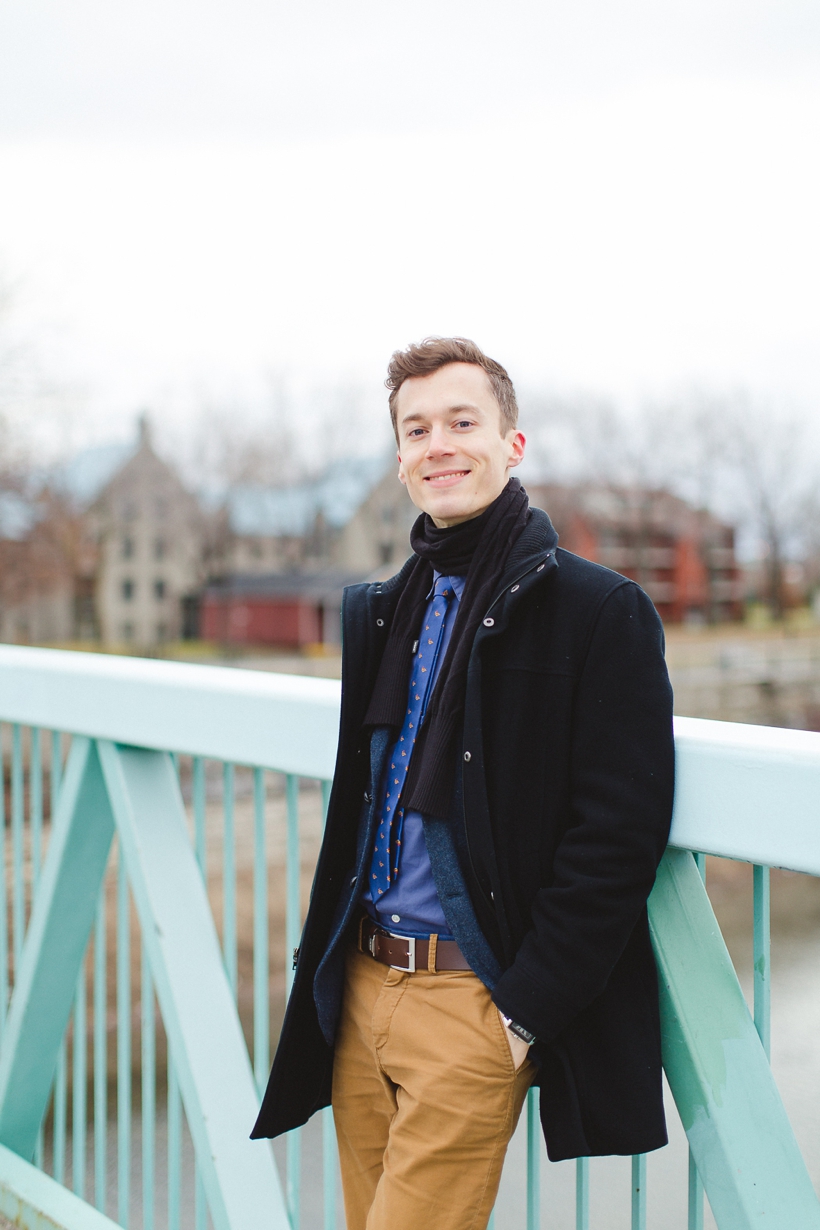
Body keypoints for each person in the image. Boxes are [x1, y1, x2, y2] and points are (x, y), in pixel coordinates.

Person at [252, 337, 675, 1230]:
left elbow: (619, 832)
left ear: (511, 444)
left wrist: (522, 1013)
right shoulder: (385, 609)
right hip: (360, 984)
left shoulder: (600, 610)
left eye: (461, 421)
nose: (438, 443)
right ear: (401, 460)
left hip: (473, 1003)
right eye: (416, 429)